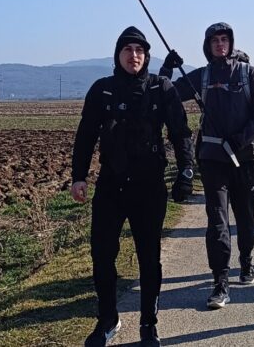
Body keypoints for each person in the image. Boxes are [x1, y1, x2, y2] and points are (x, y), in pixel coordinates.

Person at [71, 26, 194, 347]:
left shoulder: (161, 88)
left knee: (148, 257)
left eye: (139, 50)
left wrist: (186, 172)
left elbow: (180, 132)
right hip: (111, 185)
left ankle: (148, 323)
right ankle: (108, 319)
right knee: (102, 255)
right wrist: (78, 176)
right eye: (127, 50)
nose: (134, 55)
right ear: (118, 55)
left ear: (146, 56)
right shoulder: (102, 90)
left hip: (149, 186)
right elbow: (85, 135)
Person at [159, 22, 254, 309]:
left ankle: (246, 259)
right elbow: (164, 93)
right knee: (217, 220)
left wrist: (240, 139)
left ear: (231, 43)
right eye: (214, 40)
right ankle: (220, 282)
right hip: (212, 159)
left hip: (245, 158)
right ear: (207, 46)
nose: (220, 44)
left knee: (246, 218)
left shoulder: (249, 74)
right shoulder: (202, 76)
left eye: (224, 39)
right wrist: (167, 69)